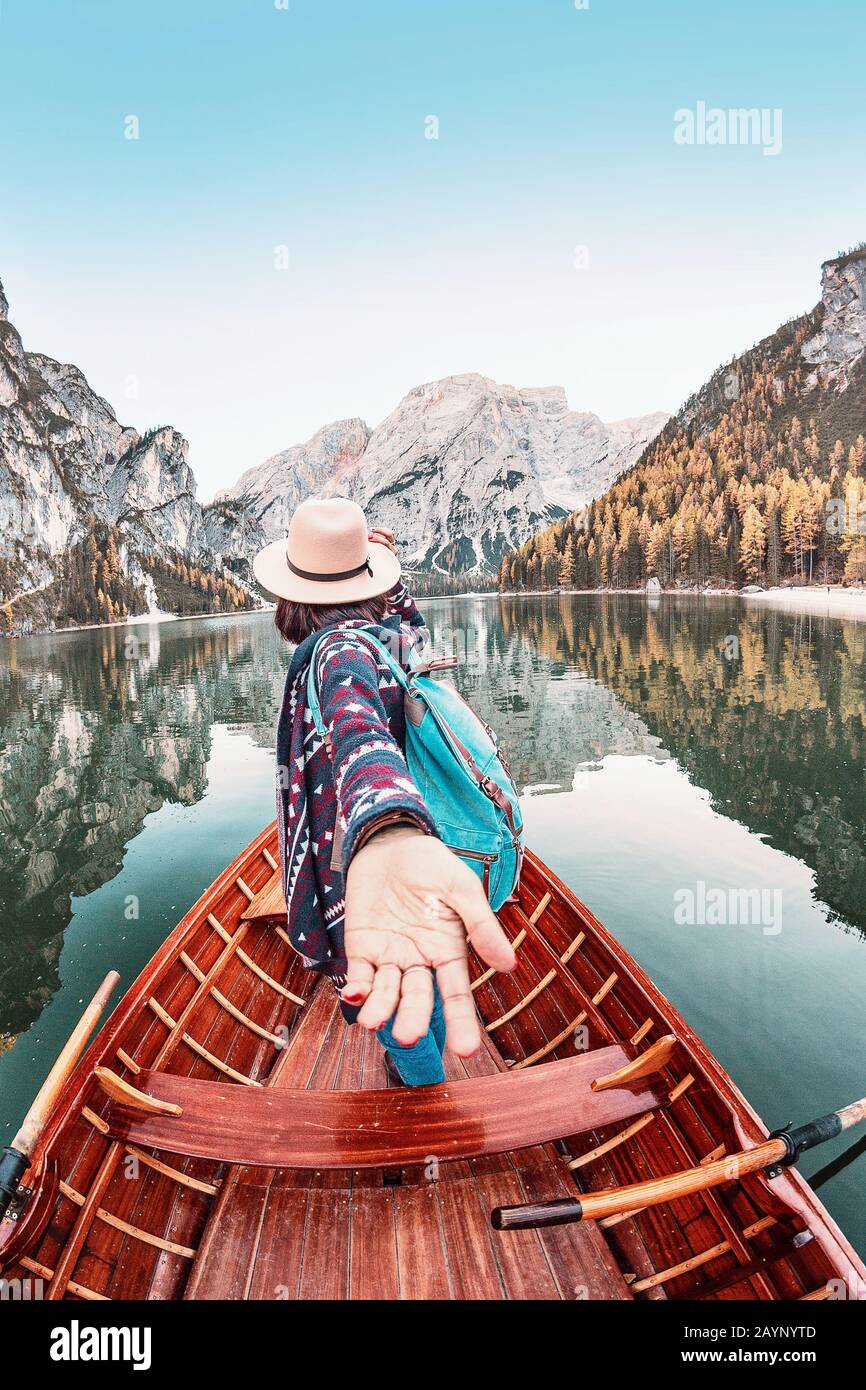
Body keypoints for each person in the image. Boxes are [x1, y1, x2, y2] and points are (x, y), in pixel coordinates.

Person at [253, 497, 516, 1085]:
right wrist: (389, 582)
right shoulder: (388, 639)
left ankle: (419, 1080)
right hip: (427, 839)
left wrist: (386, 825)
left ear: (292, 596)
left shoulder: (335, 650)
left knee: (394, 994)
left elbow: (359, 735)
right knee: (424, 962)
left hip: (365, 868)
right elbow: (411, 628)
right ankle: (437, 1051)